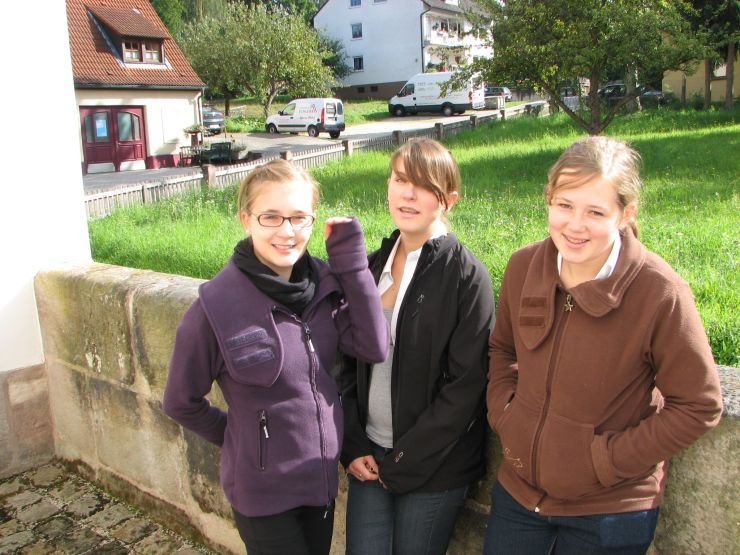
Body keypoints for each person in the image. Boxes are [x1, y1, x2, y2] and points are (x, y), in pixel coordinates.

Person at [484, 136, 723, 554]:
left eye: (595, 212)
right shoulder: (524, 267)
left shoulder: (660, 292)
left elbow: (699, 405)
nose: (575, 225)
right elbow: (503, 349)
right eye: (565, 205)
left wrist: (606, 459)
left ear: (625, 214)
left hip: (610, 510)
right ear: (548, 200)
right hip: (518, 496)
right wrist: (506, 415)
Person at [162, 159, 388, 555]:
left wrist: (352, 264)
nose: (287, 231)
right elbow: (180, 402)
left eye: (299, 218)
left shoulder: (325, 286)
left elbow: (373, 346)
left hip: (319, 482)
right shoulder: (215, 307)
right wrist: (243, 441)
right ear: (246, 219)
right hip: (262, 496)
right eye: (271, 217)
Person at [340, 138, 495, 555]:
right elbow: (346, 363)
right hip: (369, 455)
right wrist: (352, 444)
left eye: (424, 185)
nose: (408, 194)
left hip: (434, 467)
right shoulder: (369, 266)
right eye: (400, 180)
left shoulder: (467, 277)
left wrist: (404, 460)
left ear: (449, 200)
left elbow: (466, 386)